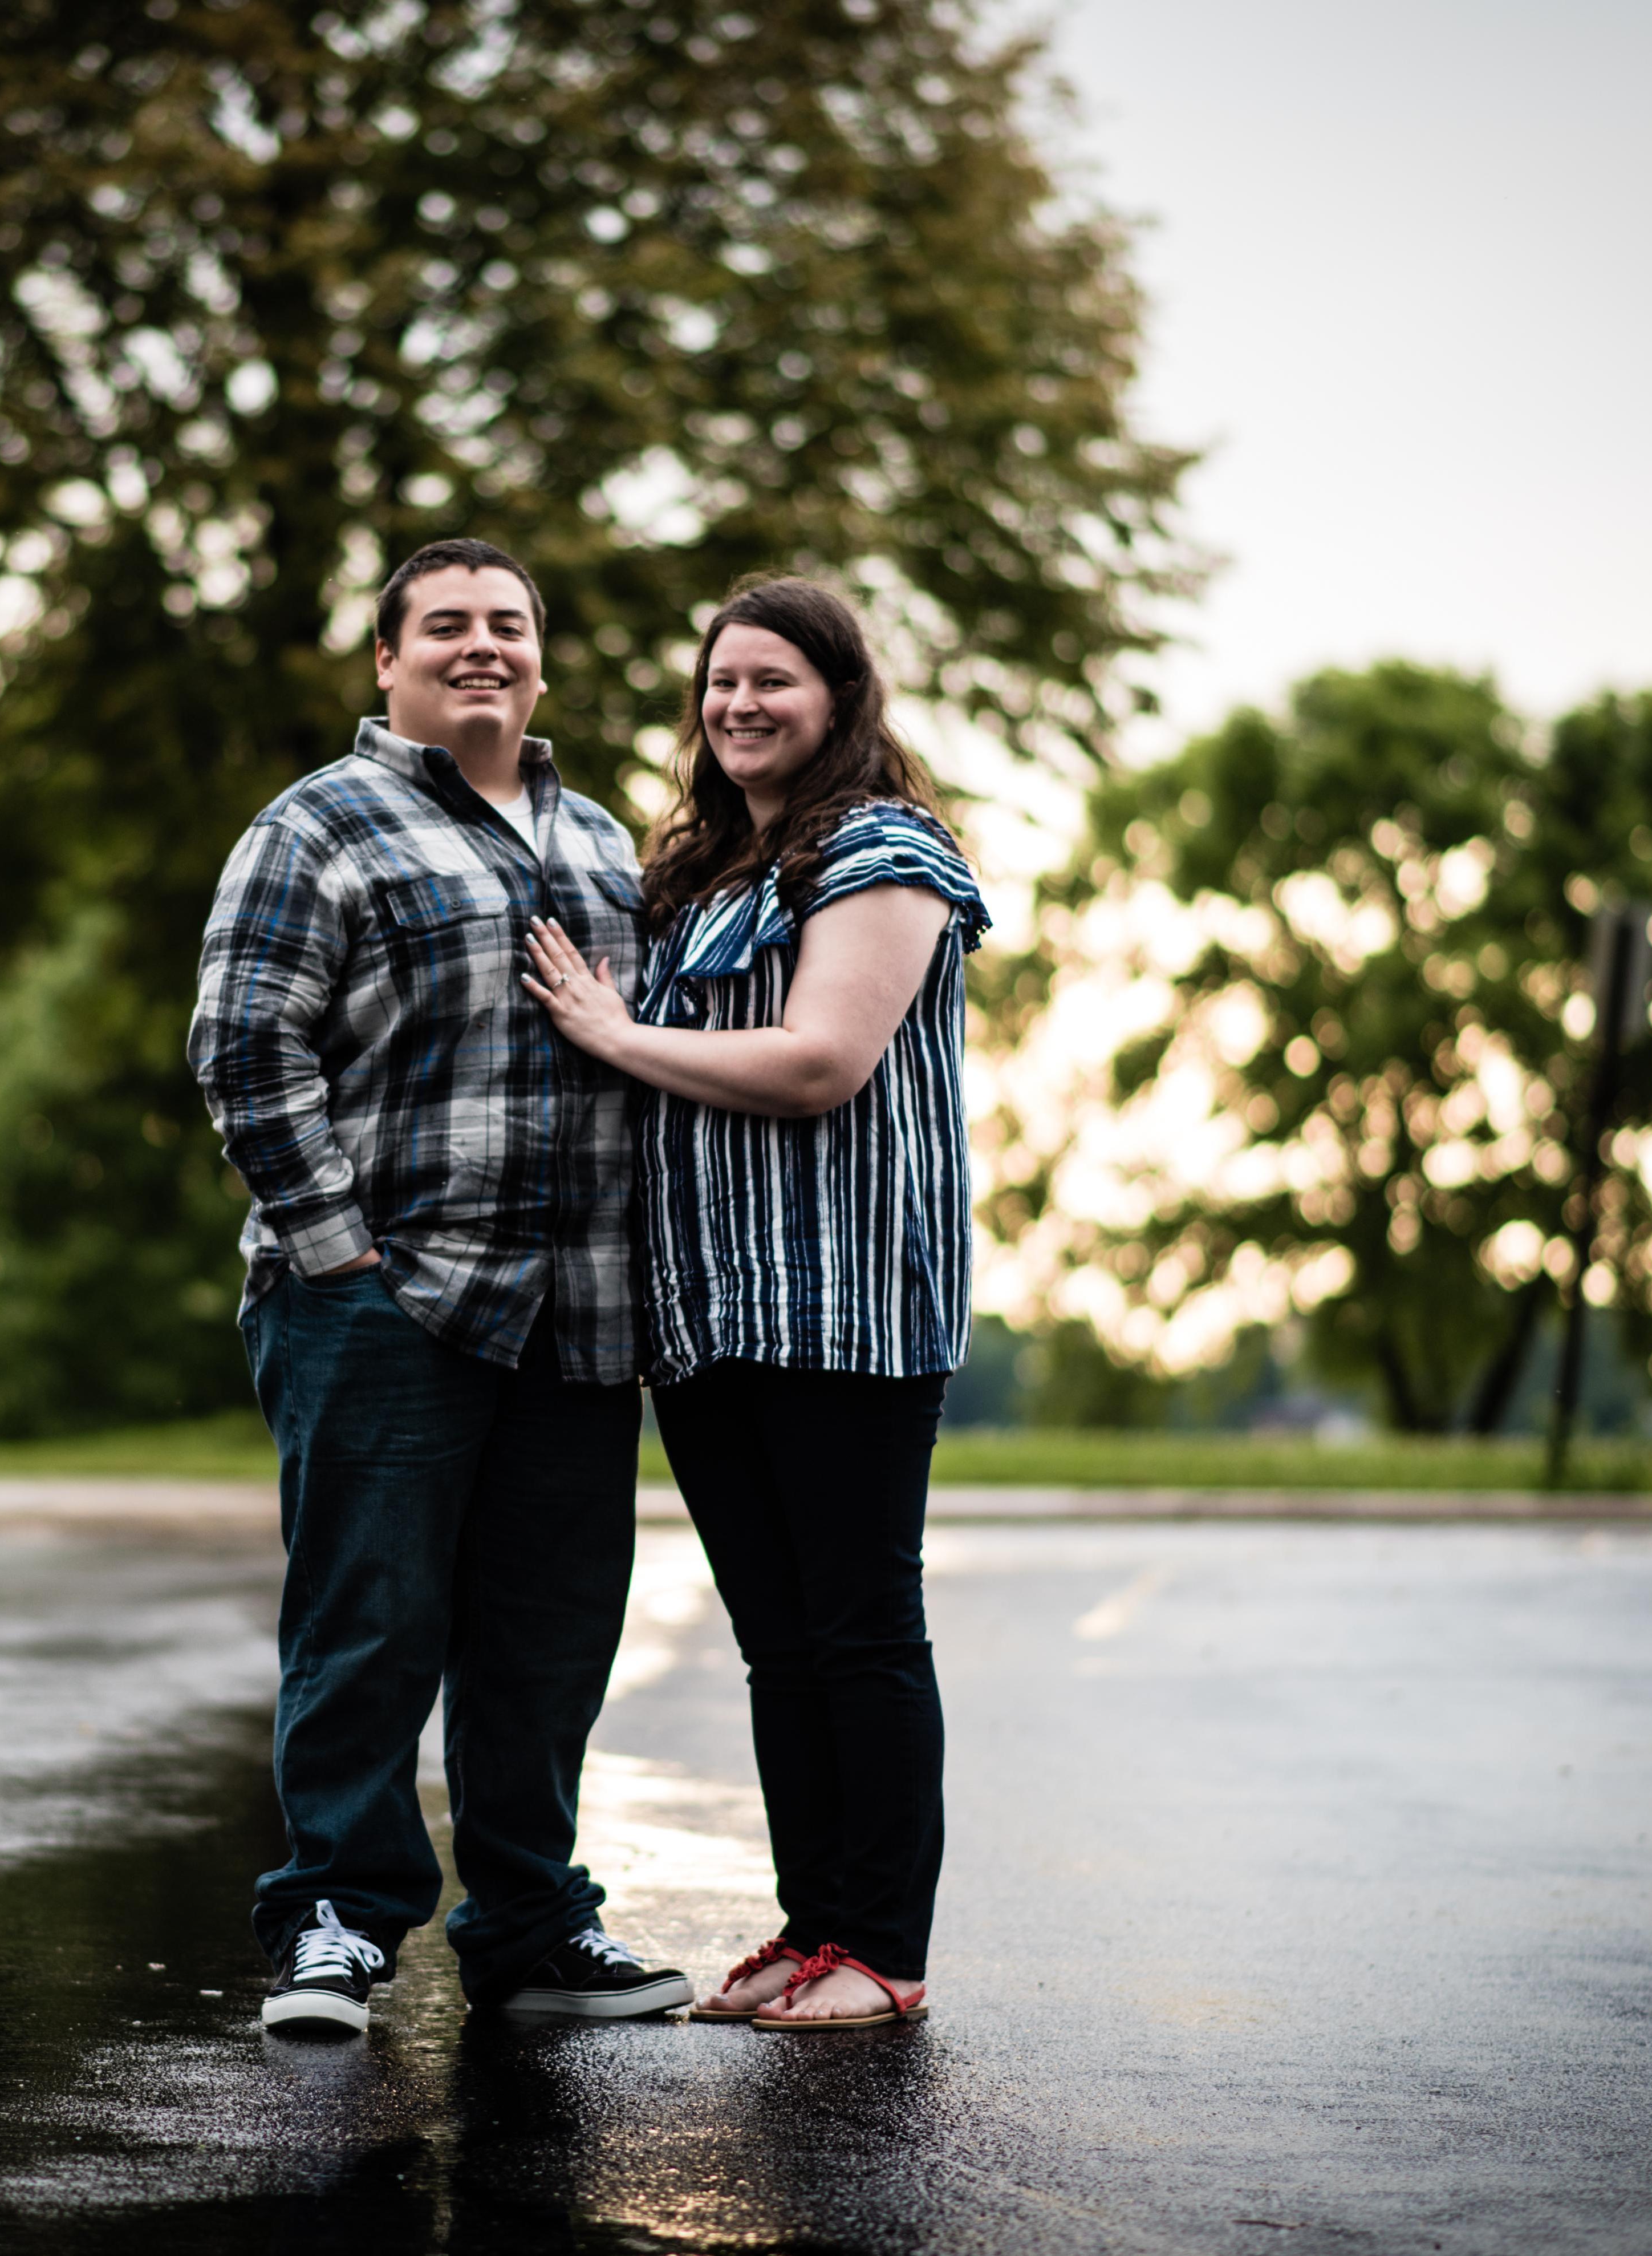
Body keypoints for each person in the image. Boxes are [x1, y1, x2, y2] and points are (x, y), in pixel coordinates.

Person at [188, 537, 692, 2035]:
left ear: (540, 659)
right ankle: (335, 1925)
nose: (482, 645)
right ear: (390, 660)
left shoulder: (605, 841)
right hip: (379, 1301)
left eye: (508, 625)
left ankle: (531, 1933)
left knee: (546, 1635)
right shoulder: (317, 826)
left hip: (575, 1318)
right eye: (447, 624)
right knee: (368, 1623)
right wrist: (340, 1249)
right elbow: (242, 1044)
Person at [523, 575, 988, 2031]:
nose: (738, 705)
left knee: (858, 1627)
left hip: (844, 1298)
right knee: (776, 1642)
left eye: (772, 680)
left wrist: (613, 1029)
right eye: (720, 682)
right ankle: (813, 1935)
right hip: (707, 1309)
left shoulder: (881, 849)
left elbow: (819, 1062)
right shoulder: (700, 870)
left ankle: (885, 1953)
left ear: (841, 698)